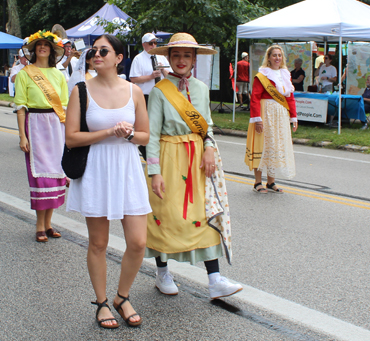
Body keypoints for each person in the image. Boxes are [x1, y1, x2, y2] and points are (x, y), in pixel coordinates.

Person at [145, 33, 242, 300]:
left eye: (187, 55)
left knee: (204, 214)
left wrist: (209, 147)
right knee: (165, 216)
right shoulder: (158, 91)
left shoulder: (200, 88)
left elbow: (206, 124)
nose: (181, 60)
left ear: (194, 59)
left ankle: (214, 279)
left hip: (198, 161)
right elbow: (151, 135)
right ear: (169, 58)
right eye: (176, 55)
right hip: (169, 157)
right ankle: (162, 272)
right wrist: (155, 172)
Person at [65, 34, 151, 328]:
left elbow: (144, 136)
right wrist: (108, 132)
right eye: (94, 50)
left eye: (104, 50)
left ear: (119, 58)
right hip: (96, 170)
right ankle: (102, 302)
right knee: (99, 243)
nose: (97, 54)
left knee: (138, 242)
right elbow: (72, 138)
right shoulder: (80, 91)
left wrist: (127, 134)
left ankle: (122, 296)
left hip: (127, 170)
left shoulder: (134, 92)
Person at [14, 30, 67, 243]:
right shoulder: (25, 74)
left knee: (55, 174)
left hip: (55, 126)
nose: (42, 48)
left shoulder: (59, 75)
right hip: (34, 125)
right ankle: (39, 226)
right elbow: (21, 106)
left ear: (52, 50)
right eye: (39, 45)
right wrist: (22, 136)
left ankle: (49, 224)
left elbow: (64, 105)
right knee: (40, 178)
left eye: (46, 45)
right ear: (34, 49)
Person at [244, 45, 298, 194]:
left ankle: (271, 181)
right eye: (274, 55)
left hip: (280, 115)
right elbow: (255, 97)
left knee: (274, 147)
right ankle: (257, 182)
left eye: (279, 55)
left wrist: (293, 116)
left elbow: (290, 97)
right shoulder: (262, 75)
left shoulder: (286, 74)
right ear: (268, 58)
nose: (277, 58)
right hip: (265, 113)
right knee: (262, 147)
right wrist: (257, 119)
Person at [130, 33, 170, 104]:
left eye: (155, 42)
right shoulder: (138, 59)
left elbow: (171, 76)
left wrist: (163, 70)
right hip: (146, 96)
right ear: (143, 45)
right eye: (150, 43)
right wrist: (151, 77)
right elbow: (133, 78)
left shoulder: (161, 57)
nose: (153, 45)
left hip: (162, 94)